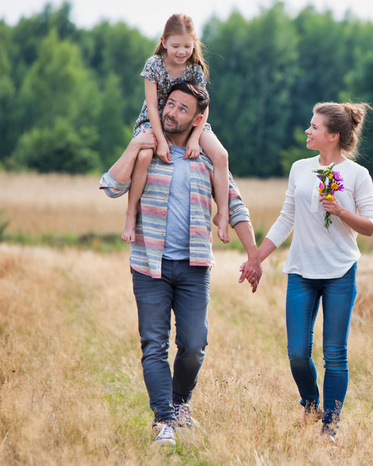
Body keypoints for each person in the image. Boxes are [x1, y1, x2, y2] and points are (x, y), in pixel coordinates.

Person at [100, 81, 262, 446]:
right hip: (149, 265)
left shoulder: (206, 158)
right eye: (169, 104)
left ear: (197, 120)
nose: (171, 112)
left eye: (181, 109)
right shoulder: (147, 148)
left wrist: (253, 255)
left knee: (194, 344)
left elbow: (234, 206)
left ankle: (179, 403)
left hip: (194, 267)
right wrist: (133, 145)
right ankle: (164, 420)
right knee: (153, 344)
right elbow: (111, 186)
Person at [257, 102, 373, 441]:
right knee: (297, 351)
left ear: (333, 135)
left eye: (314, 127)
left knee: (335, 353)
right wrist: (257, 258)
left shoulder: (357, 176)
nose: (308, 131)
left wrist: (340, 211)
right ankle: (311, 404)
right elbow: (286, 219)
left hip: (340, 272)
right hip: (301, 271)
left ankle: (330, 424)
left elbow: (371, 228)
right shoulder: (299, 169)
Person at [122, 13, 231, 245]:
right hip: (154, 120)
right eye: (175, 46)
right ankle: (131, 213)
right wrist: (161, 141)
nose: (182, 51)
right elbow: (152, 106)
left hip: (191, 122)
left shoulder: (195, 69)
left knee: (221, 155)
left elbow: (205, 106)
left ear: (194, 44)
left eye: (187, 46)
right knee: (143, 157)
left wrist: (195, 138)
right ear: (163, 42)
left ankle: (223, 213)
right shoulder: (153, 65)